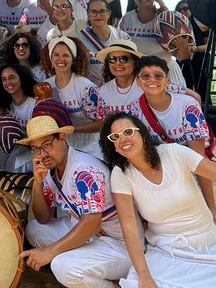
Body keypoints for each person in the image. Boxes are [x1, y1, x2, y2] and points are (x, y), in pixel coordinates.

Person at [101, 112, 216, 288]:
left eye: (128, 132)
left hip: (209, 246)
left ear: (141, 132)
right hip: (167, 251)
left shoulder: (173, 153)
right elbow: (129, 228)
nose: (122, 139)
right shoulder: (121, 174)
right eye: (115, 137)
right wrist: (144, 277)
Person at [132, 55, 216, 245]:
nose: (152, 80)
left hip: (212, 167)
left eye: (158, 76)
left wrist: (212, 207)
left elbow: (198, 158)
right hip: (180, 174)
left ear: (167, 81)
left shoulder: (187, 106)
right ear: (138, 81)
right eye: (145, 76)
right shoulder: (136, 111)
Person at [18, 116, 135, 288]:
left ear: (62, 138)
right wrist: (37, 183)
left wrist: (49, 253)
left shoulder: (84, 171)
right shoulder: (51, 168)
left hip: (119, 244)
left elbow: (92, 224)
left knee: (62, 266)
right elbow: (43, 218)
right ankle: (85, 265)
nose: (43, 154)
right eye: (36, 149)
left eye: (47, 145)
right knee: (34, 229)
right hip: (88, 235)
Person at [97, 40, 197, 116]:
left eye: (124, 59)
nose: (117, 63)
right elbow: (102, 122)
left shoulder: (150, 83)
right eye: (112, 59)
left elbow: (194, 96)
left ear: (135, 62)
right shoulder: (104, 90)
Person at [118, 0, 187, 87]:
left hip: (166, 75)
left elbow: (181, 55)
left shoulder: (165, 19)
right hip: (137, 76)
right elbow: (121, 49)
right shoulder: (126, 19)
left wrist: (183, 47)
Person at [43, 36, 104, 158]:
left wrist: (72, 129)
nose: (61, 59)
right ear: (50, 58)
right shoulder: (46, 86)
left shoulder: (86, 88)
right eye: (56, 55)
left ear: (74, 59)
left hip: (91, 149)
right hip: (63, 150)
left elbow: (101, 124)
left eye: (66, 55)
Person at [0, 63, 36, 172]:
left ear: (21, 79)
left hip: (35, 151)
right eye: (4, 79)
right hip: (17, 150)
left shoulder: (35, 105)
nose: (8, 82)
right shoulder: (5, 106)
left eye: (12, 77)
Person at [79, 0, 131, 86]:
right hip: (91, 90)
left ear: (109, 13)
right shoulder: (80, 39)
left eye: (102, 11)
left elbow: (130, 65)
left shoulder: (123, 37)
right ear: (88, 14)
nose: (98, 15)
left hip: (118, 87)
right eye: (93, 12)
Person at [174, 0, 209, 99]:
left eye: (185, 9)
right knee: (184, 89)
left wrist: (195, 49)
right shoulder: (175, 27)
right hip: (183, 62)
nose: (182, 12)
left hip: (200, 61)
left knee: (203, 90)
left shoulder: (201, 25)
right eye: (179, 10)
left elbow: (208, 46)